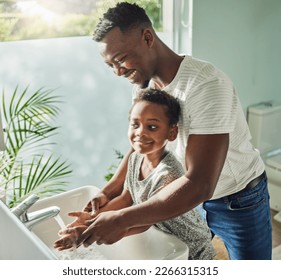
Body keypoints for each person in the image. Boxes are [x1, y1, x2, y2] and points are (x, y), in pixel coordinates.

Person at [68, 2, 272, 260]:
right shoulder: (143, 85)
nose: (118, 72)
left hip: (238, 199)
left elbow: (200, 184)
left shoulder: (206, 85)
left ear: (147, 37)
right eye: (111, 65)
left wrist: (121, 218)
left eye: (120, 59)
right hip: (183, 196)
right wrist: (108, 191)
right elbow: (140, 147)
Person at [54, 89, 216, 260]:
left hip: (192, 250)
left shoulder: (168, 175)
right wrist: (93, 219)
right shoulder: (135, 159)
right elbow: (125, 198)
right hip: (163, 237)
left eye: (152, 127)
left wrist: (88, 230)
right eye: (135, 124)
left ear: (171, 133)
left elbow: (145, 223)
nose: (141, 132)